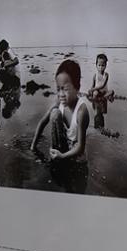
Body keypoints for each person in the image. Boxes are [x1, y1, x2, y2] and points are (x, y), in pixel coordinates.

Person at [30, 59, 92, 193]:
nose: (61, 94)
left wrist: (62, 156)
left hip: (77, 158)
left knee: (74, 190)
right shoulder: (60, 100)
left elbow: (80, 147)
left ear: (77, 87)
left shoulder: (82, 111)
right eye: (58, 89)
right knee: (54, 113)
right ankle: (57, 159)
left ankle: (59, 160)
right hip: (62, 149)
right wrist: (32, 147)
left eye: (65, 89)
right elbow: (43, 121)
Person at [87, 53, 115, 129]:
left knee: (111, 91)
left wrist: (93, 89)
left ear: (106, 66)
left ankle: (104, 97)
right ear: (96, 65)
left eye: (103, 65)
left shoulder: (106, 75)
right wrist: (91, 90)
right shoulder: (95, 75)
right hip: (97, 92)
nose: (101, 67)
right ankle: (96, 103)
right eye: (99, 65)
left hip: (104, 91)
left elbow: (102, 85)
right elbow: (93, 85)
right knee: (95, 94)